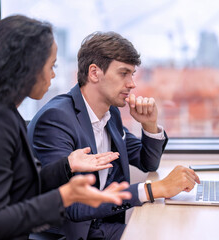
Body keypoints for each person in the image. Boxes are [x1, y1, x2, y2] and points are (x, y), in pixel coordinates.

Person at [0, 16, 132, 240]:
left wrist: (67, 166)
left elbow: (20, 186)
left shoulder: (4, 114)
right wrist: (63, 197)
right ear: (26, 68)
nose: (53, 74)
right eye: (51, 66)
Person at [27, 31, 200, 239]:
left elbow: (147, 162)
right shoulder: (56, 119)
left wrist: (149, 125)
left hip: (101, 228)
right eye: (123, 73)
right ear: (94, 73)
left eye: (132, 74)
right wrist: (153, 189)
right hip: (72, 234)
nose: (132, 84)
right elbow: (72, 205)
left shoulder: (111, 114)